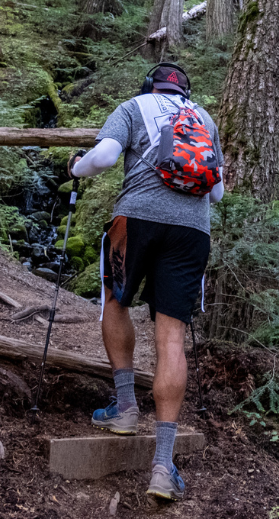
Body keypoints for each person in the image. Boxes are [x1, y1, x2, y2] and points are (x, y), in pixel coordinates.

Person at [67, 62, 224, 501]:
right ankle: (162, 465)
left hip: (135, 219)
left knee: (116, 302)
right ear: (186, 93)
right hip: (193, 231)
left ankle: (125, 408)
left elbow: (104, 158)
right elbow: (217, 192)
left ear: (150, 86)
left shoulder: (133, 106)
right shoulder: (204, 119)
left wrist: (77, 168)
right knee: (171, 336)